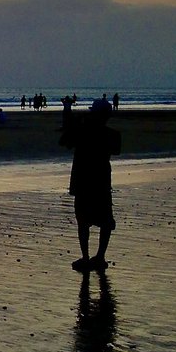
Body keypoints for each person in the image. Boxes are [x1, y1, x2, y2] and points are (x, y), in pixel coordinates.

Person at [61, 98, 121, 272]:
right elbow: (116, 149)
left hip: (84, 182)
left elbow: (65, 141)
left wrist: (70, 116)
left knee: (84, 220)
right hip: (101, 182)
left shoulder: (85, 132)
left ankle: (87, 257)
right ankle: (99, 256)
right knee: (104, 221)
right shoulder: (111, 134)